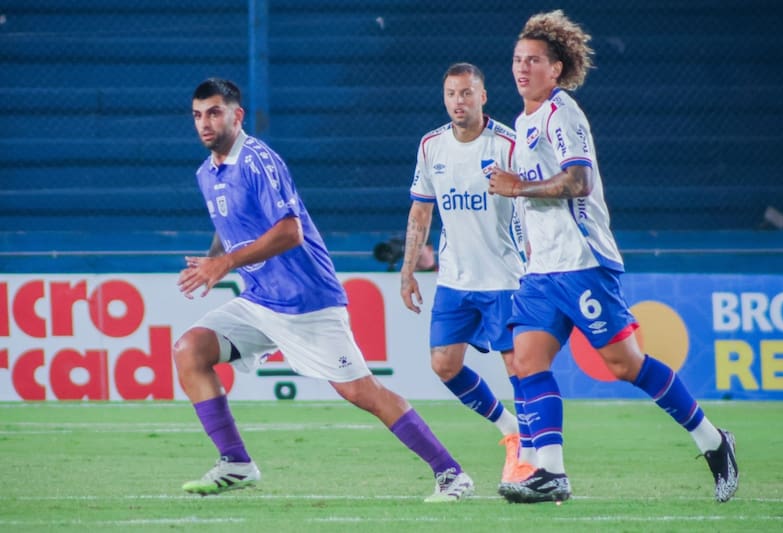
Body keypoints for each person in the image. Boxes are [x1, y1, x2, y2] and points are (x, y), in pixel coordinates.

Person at [174, 77, 474, 502]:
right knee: (190, 349)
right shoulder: (207, 173)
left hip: (305, 301)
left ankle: (451, 474)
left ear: (236, 116)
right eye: (198, 115)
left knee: (361, 392)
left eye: (214, 112)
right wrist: (212, 262)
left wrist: (224, 263)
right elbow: (228, 227)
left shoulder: (259, 161)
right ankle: (236, 461)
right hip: (260, 299)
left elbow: (290, 231)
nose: (205, 123)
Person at [488, 10, 739, 504]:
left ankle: (713, 441)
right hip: (542, 271)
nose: (522, 68)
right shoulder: (522, 121)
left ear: (556, 68)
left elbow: (577, 181)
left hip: (582, 263)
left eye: (534, 60)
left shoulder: (564, 114)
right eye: (518, 59)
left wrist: (519, 187)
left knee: (626, 365)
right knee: (525, 361)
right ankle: (550, 473)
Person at [400, 63, 535, 485]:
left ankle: (530, 458)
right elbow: (421, 209)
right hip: (455, 280)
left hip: (506, 279)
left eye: (466, 93)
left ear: (483, 96)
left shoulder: (509, 144)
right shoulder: (431, 146)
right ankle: (508, 429)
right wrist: (407, 270)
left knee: (520, 368)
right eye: (451, 94)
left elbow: (534, 204)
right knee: (443, 365)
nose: (459, 101)